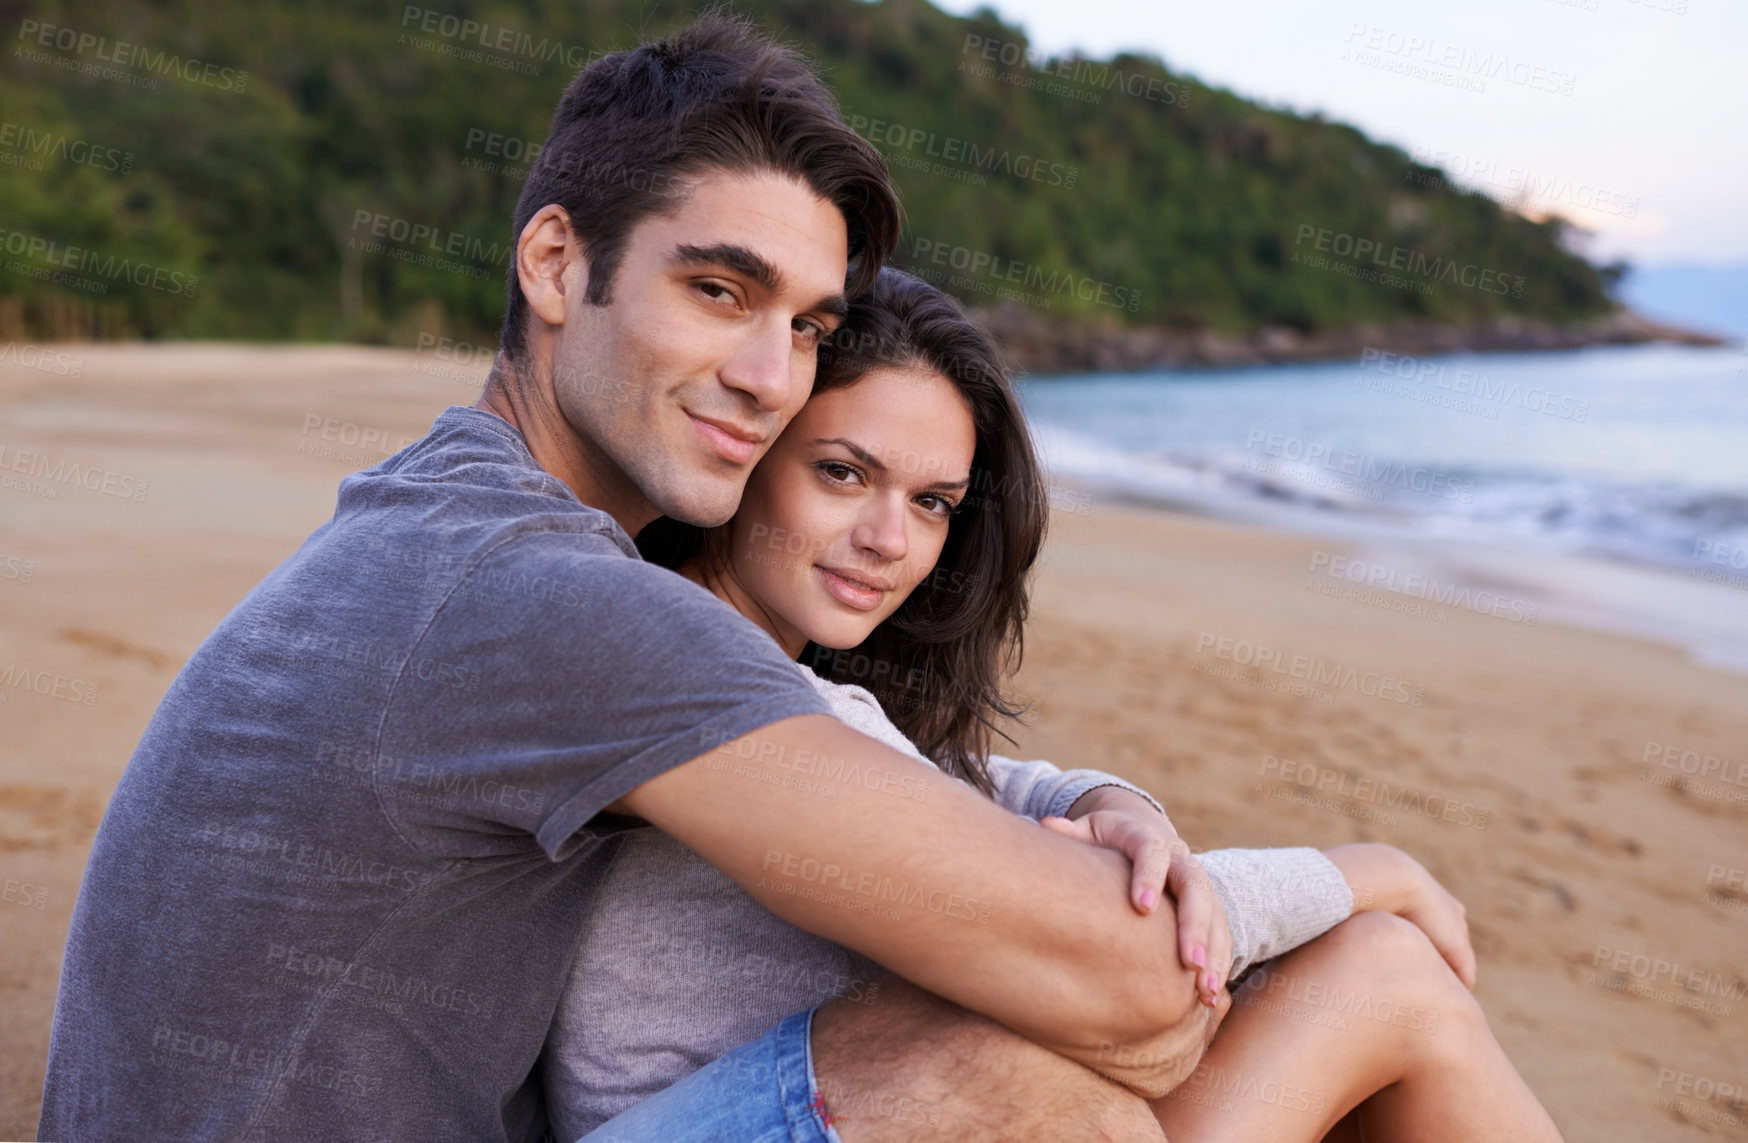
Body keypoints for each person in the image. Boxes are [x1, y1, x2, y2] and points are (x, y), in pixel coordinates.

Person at [39, 16, 1221, 1143]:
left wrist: (1109, 802)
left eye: (808, 327)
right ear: (555, 264)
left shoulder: (441, 519)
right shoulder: (548, 597)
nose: (771, 379)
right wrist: (1363, 882)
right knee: (1009, 1080)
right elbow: (1138, 995)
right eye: (718, 292)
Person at [556, 268, 1565, 1142]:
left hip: (840, 1103)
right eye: (841, 473)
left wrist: (1117, 807)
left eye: (930, 502)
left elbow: (989, 785)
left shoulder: (782, 678)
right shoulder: (719, 675)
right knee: (1379, 974)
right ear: (750, 449)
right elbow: (1129, 948)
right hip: (757, 1115)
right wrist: (1371, 871)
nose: (887, 539)